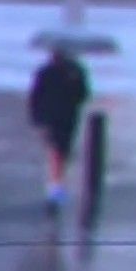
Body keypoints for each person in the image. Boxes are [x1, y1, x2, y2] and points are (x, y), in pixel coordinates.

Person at [28, 46, 90, 210]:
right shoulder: (48, 72)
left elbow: (83, 94)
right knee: (56, 152)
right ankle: (55, 189)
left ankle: (56, 186)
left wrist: (37, 118)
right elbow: (36, 97)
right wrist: (38, 119)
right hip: (54, 118)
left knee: (61, 153)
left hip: (64, 118)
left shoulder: (73, 71)